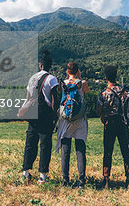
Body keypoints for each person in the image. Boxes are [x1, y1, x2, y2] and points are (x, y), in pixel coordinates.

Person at [20, 50, 60, 185]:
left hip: (32, 113)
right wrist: (56, 118)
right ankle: (42, 176)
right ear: (50, 65)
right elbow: (54, 100)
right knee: (45, 144)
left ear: (40, 65)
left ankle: (25, 173)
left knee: (30, 143)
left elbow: (27, 98)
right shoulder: (52, 79)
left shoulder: (32, 78)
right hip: (45, 114)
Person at [97, 65, 129, 189]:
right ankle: (128, 180)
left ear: (106, 77)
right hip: (123, 123)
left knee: (108, 152)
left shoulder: (104, 93)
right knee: (125, 151)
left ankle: (106, 180)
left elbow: (99, 110)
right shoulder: (124, 91)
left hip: (109, 124)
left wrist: (103, 119)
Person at [56, 62, 90, 188]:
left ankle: (65, 180)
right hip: (80, 119)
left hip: (65, 119)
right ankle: (81, 180)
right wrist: (79, 78)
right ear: (77, 71)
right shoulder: (82, 83)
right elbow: (87, 91)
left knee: (65, 150)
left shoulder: (62, 83)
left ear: (67, 71)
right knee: (80, 150)